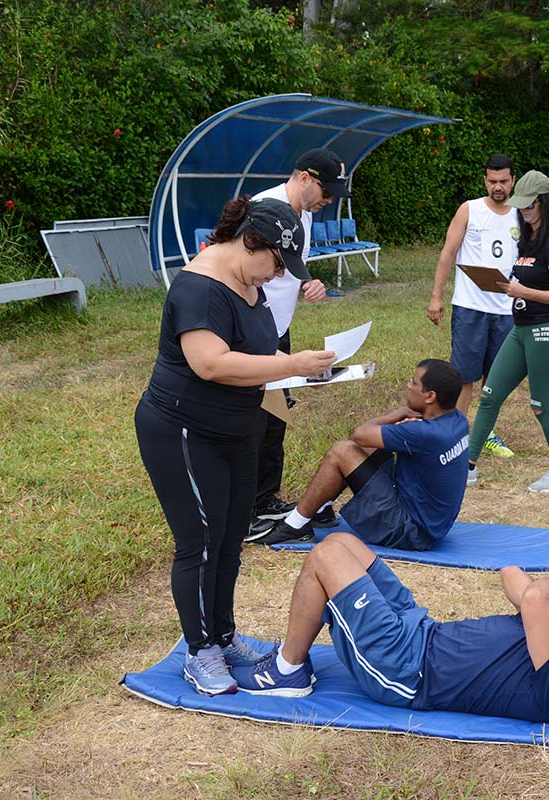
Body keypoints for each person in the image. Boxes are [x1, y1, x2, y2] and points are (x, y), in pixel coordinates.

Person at [134, 197, 337, 697]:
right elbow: (211, 364)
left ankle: (222, 635)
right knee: (199, 543)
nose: (276, 276)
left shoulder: (251, 283)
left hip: (237, 428)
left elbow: (260, 353)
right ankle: (198, 650)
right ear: (251, 242)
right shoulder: (198, 288)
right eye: (275, 264)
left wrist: (298, 381)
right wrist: (291, 366)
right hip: (183, 431)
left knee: (229, 539)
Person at [230, 533, 549, 723]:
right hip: (420, 629)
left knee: (325, 559)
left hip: (405, 668)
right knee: (343, 542)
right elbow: (509, 573)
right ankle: (293, 660)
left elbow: (530, 594)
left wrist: (546, 591)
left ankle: (287, 669)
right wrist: (544, 603)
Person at [246, 359, 469, 550]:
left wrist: (396, 414)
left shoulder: (422, 433)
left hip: (410, 533)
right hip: (433, 526)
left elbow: (359, 435)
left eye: (413, 382)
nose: (407, 385)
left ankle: (294, 526)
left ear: (430, 396)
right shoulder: (457, 421)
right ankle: (321, 511)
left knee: (342, 451)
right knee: (373, 445)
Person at [246, 148, 349, 541]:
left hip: (278, 330)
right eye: (326, 190)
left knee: (275, 418)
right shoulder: (263, 208)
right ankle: (245, 506)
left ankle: (264, 497)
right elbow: (242, 271)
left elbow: (286, 270)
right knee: (254, 418)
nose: (329, 201)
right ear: (304, 177)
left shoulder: (304, 214)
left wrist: (310, 282)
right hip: (254, 331)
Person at [465, 170, 549, 494]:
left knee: (542, 406)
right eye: (521, 207)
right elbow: (527, 281)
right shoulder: (528, 236)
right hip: (521, 330)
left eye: (530, 206)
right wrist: (505, 286)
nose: (525, 212)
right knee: (489, 396)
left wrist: (523, 291)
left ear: (544, 203)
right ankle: (468, 468)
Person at [427, 153, 519, 459]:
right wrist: (436, 296)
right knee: (465, 376)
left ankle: (484, 433)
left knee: (495, 381)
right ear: (485, 180)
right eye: (492, 181)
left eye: (503, 181)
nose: (497, 187)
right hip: (470, 308)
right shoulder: (470, 209)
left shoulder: (521, 215)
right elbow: (448, 252)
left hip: (506, 310)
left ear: (513, 181)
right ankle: (458, 438)